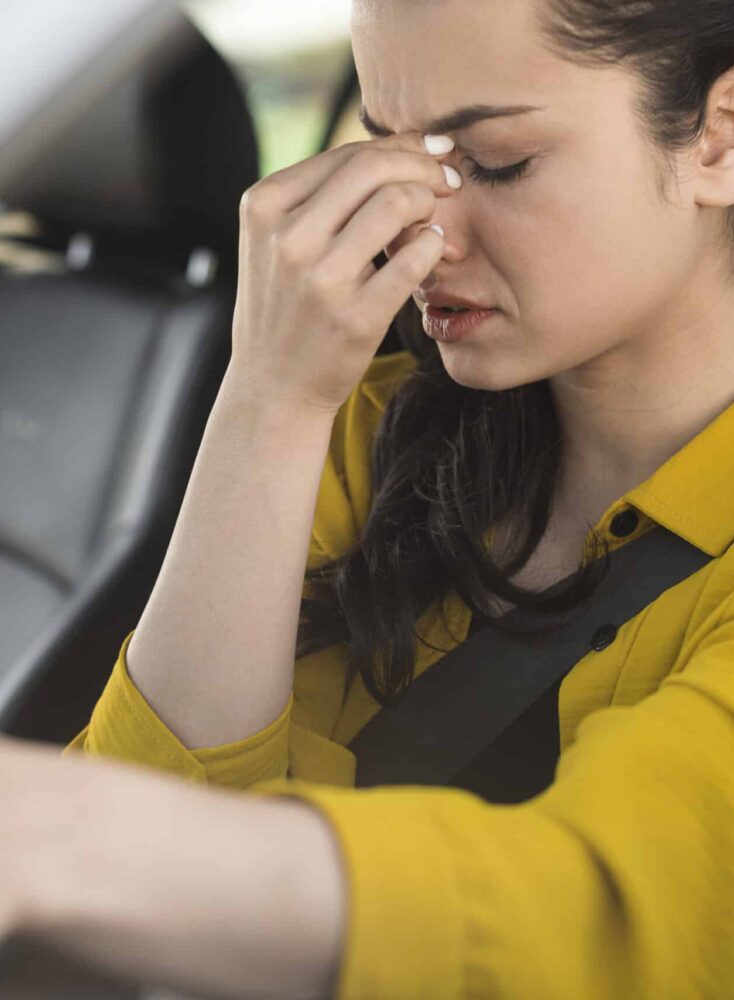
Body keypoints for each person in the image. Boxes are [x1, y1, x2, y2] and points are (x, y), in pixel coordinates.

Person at [1, 0, 733, 996]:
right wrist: (269, 397)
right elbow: (143, 894)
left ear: (717, 140)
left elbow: (606, 921)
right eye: (393, 159)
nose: (422, 234)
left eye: (495, 162)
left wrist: (59, 827)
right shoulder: (374, 424)